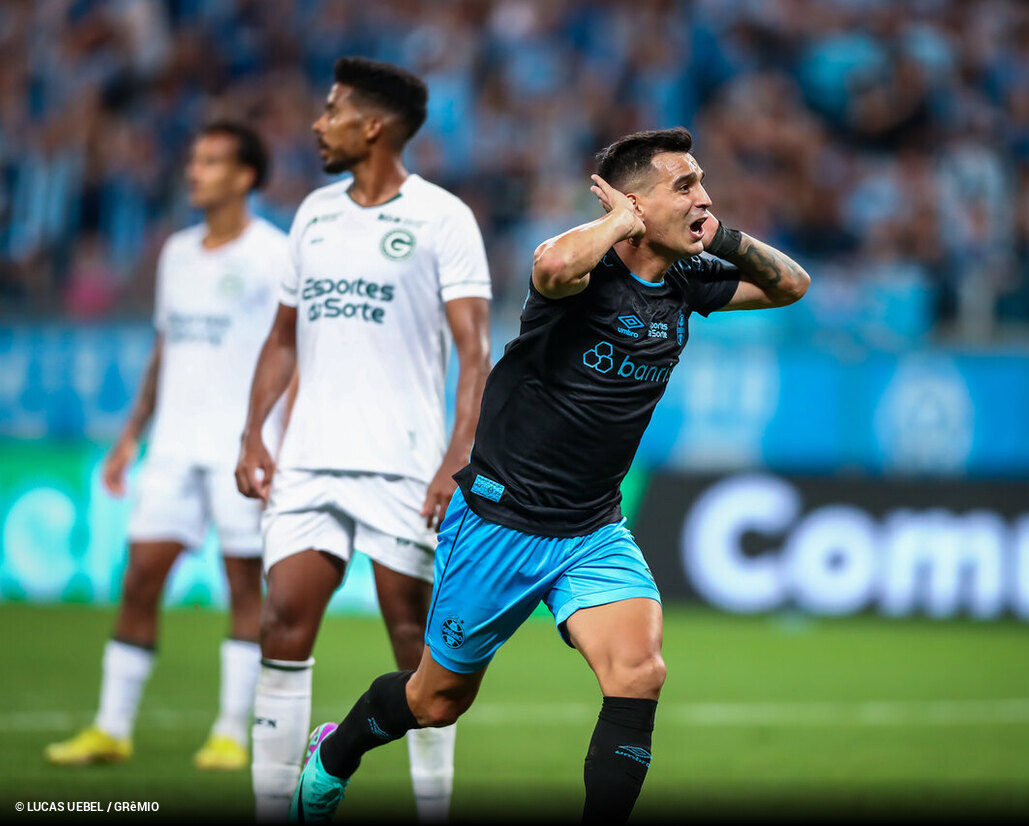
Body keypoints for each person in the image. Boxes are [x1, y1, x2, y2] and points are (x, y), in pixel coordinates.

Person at [289, 126, 811, 822]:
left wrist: (722, 239)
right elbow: (551, 265)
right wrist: (617, 225)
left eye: (701, 182)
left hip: (591, 527)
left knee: (639, 672)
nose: (702, 197)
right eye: (683, 185)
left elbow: (791, 286)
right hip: (500, 521)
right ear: (631, 202)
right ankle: (334, 755)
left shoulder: (688, 282)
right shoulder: (580, 272)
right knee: (435, 702)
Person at [234, 57, 492, 823]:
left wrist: (456, 457)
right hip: (309, 460)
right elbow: (282, 338)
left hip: (402, 465)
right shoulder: (312, 214)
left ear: (372, 126)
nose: (318, 123)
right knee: (281, 623)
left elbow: (474, 352)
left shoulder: (443, 217)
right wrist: (253, 432)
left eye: (331, 110)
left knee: (414, 643)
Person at [45, 122, 290, 771]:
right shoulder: (177, 252)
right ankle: (110, 728)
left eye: (210, 162)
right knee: (140, 578)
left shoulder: (274, 255)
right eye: (193, 160)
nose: (194, 172)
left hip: (244, 451)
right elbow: (164, 348)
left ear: (245, 177)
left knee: (244, 587)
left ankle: (232, 732)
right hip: (174, 446)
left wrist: (276, 439)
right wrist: (130, 437)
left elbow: (293, 352)